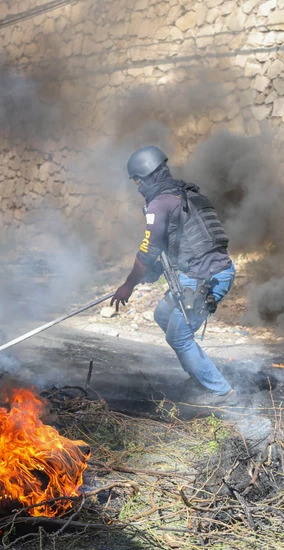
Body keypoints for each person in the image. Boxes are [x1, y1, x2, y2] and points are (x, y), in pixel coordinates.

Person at [110, 146, 237, 405]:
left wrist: (128, 286)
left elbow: (148, 251)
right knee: (162, 315)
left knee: (178, 337)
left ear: (148, 176)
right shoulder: (186, 193)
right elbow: (188, 244)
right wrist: (157, 270)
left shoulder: (159, 203)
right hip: (207, 272)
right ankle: (199, 377)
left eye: (138, 181)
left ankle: (222, 392)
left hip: (205, 278)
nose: (137, 187)